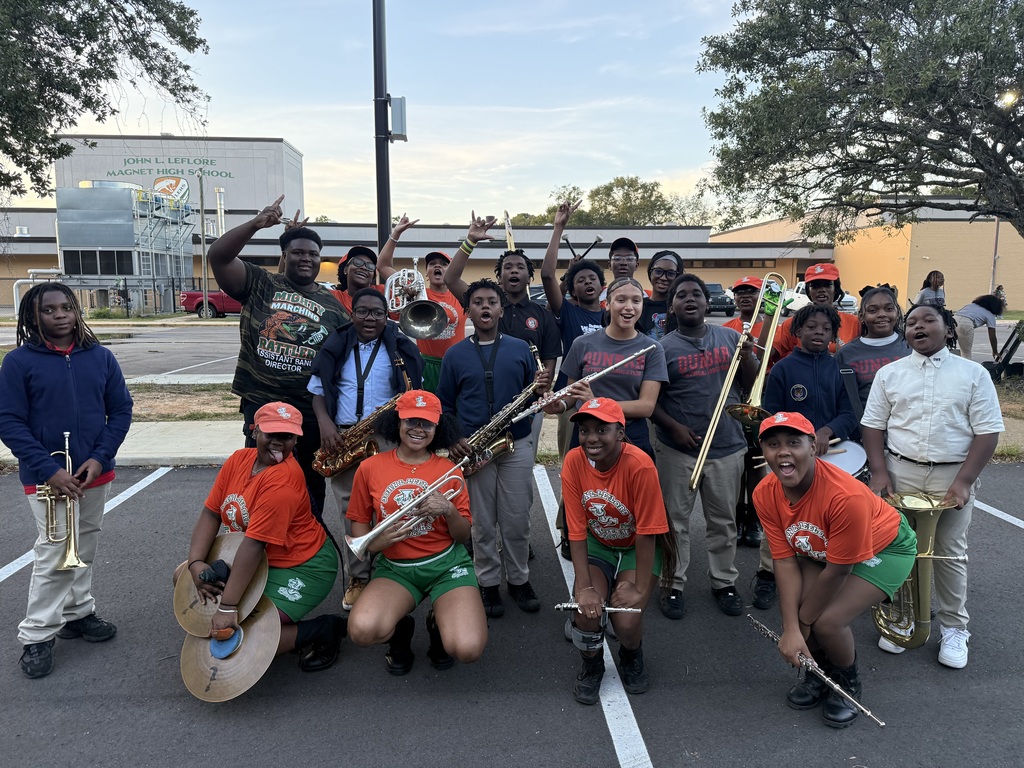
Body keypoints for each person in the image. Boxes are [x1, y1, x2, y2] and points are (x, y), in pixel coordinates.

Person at [0, 283, 133, 679]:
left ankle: (77, 613)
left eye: (66, 307)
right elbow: (9, 421)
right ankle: (37, 635)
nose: (60, 315)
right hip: (48, 477)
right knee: (56, 552)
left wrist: (98, 457)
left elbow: (121, 410)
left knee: (84, 544)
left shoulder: (101, 357)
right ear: (32, 317)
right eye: (49, 310)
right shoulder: (19, 362)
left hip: (93, 473)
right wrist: (49, 469)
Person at [861, 303, 1003, 669]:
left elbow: (988, 432)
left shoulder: (973, 374)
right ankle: (901, 619)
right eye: (911, 323)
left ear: (949, 329)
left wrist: (964, 482)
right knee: (896, 548)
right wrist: (879, 473)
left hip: (950, 476)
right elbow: (874, 425)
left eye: (928, 320)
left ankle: (955, 627)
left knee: (949, 552)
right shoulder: (889, 374)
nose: (918, 327)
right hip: (899, 472)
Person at [754, 411, 917, 728]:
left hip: (886, 548)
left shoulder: (845, 496)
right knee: (803, 608)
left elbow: (838, 573)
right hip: (825, 550)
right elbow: (784, 560)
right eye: (773, 444)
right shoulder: (764, 493)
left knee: (826, 621)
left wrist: (800, 624)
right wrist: (791, 626)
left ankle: (847, 684)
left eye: (793, 442)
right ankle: (820, 675)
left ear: (813, 446)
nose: (783, 451)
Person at [207, 195, 347, 522]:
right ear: (284, 256)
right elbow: (218, 256)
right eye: (297, 252)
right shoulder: (261, 283)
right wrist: (257, 223)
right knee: (260, 476)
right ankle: (255, 545)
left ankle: (304, 545)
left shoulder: (335, 307)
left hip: (309, 411)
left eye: (313, 254)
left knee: (310, 483)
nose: (306, 259)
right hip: (263, 403)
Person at [179, 402, 345, 672]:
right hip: (258, 558)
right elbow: (211, 513)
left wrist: (228, 608)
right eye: (271, 435)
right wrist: (195, 562)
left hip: (303, 566)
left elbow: (255, 544)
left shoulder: (283, 483)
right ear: (254, 432)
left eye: (288, 437)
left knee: (247, 636)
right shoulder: (238, 460)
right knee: (184, 578)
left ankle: (324, 629)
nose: (279, 443)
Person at [346, 390, 486, 674]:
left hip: (447, 565)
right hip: (396, 567)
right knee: (362, 631)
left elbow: (463, 536)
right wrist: (374, 543)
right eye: (411, 420)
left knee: (467, 648)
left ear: (438, 428)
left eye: (427, 423)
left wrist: (448, 510)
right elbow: (359, 522)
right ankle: (401, 629)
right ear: (396, 422)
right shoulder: (370, 467)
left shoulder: (450, 470)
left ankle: (438, 625)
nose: (418, 429)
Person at [436, 279, 550, 618]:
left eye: (491, 302)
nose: (485, 307)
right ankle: (486, 583)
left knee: (516, 519)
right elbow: (444, 404)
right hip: (474, 447)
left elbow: (536, 399)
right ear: (467, 310)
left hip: (516, 441)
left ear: (501, 309)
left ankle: (518, 580)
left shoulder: (521, 348)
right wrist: (454, 438)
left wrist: (541, 390)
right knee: (482, 523)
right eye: (478, 302)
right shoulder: (455, 353)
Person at [308, 288, 423, 610]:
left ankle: (391, 573)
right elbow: (317, 392)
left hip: (386, 438)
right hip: (344, 437)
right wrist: (326, 424)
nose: (370, 318)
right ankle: (359, 575)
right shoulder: (335, 346)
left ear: (387, 317)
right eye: (363, 311)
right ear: (352, 314)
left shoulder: (400, 348)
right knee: (351, 513)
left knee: (389, 507)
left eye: (377, 312)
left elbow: (413, 393)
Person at [652, 274, 756, 619]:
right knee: (674, 522)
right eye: (682, 295)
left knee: (723, 521)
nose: (691, 299)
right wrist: (674, 428)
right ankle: (672, 582)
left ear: (708, 302)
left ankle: (723, 581)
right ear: (673, 306)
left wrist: (750, 354)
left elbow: (748, 385)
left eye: (697, 294)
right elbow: (651, 401)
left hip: (727, 446)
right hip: (678, 449)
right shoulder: (662, 348)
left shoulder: (730, 337)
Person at [562, 398, 669, 705]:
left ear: (620, 433)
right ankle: (592, 665)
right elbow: (577, 530)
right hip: (599, 543)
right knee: (586, 612)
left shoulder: (640, 465)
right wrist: (584, 588)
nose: (591, 437)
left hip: (637, 546)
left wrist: (638, 588)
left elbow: (648, 531)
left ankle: (632, 654)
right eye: (584, 430)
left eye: (601, 429)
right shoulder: (573, 461)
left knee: (626, 618)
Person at [444, 212, 561, 457]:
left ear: (529, 277)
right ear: (500, 276)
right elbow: (451, 278)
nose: (514, 270)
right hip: (482, 404)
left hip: (526, 406)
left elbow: (549, 358)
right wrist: (470, 241)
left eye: (520, 267)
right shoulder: (485, 302)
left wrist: (540, 390)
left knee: (521, 464)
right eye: (508, 267)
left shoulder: (541, 314)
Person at [547, 277, 669, 457]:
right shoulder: (582, 343)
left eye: (636, 301)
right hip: (588, 434)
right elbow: (573, 394)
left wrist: (596, 403)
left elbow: (646, 406)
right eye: (621, 300)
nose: (629, 306)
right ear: (607, 304)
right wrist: (560, 405)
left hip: (630, 435)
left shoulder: (652, 349)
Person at [376, 214, 466, 392]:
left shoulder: (460, 295)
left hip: (458, 361)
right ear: (426, 273)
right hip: (427, 363)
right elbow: (383, 265)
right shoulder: (417, 294)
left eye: (443, 264)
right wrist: (395, 234)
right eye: (432, 264)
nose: (437, 266)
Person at [763, 304, 857, 455]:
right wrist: (798, 436)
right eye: (811, 327)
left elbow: (850, 414)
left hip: (832, 449)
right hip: (793, 450)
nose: (819, 332)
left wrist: (827, 432)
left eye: (826, 329)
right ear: (799, 331)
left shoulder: (843, 371)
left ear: (833, 336)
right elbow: (773, 415)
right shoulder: (781, 370)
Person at [725, 275, 769, 549]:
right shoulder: (728, 327)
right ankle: (738, 516)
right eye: (740, 292)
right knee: (735, 464)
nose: (745, 296)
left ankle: (753, 517)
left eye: (751, 292)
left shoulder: (774, 325)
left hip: (762, 399)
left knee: (755, 463)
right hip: (734, 398)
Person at [834, 285, 911, 412]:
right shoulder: (846, 354)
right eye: (873, 310)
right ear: (862, 316)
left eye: (889, 309)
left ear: (897, 312)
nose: (882, 314)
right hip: (864, 427)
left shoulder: (910, 346)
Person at [769, 263, 860, 364]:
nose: (821, 290)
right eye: (815, 286)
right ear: (808, 291)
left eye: (827, 284)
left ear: (836, 289)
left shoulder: (854, 322)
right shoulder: (793, 323)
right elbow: (764, 355)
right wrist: (769, 317)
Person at [636, 250, 686, 340]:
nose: (663, 278)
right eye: (658, 271)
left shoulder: (680, 307)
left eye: (670, 273)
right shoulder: (638, 306)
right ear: (650, 272)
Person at [331, 246, 387, 321]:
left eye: (370, 266)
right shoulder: (334, 296)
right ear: (345, 269)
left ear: (373, 277)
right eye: (357, 262)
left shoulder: (384, 291)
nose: (364, 267)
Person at [953, 294, 1004, 361]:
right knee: (966, 355)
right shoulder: (989, 315)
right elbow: (992, 336)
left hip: (952, 321)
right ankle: (966, 370)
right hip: (965, 324)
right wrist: (995, 351)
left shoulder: (970, 305)